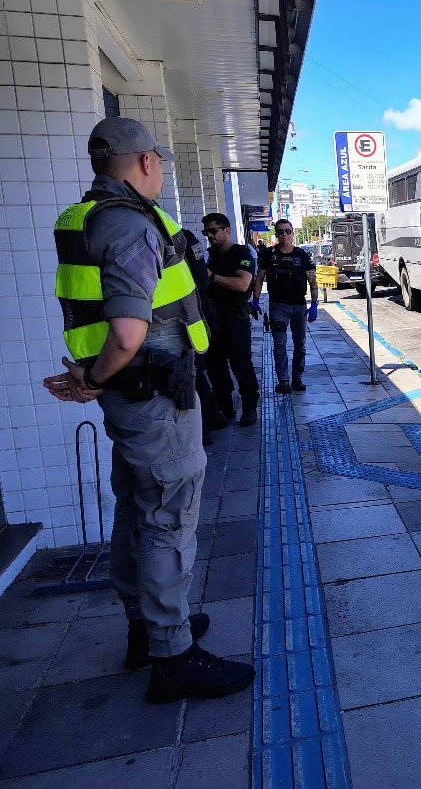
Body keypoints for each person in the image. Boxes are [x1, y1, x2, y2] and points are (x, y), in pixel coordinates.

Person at [43, 116, 254, 703]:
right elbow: (130, 333)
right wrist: (92, 376)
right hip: (154, 397)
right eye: (158, 160)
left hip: (130, 398)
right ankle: (173, 653)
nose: (161, 168)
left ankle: (147, 625)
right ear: (144, 163)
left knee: (136, 508)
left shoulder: (87, 220)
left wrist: (93, 378)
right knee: (166, 515)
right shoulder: (132, 226)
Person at [202, 213, 259, 427]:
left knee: (241, 365)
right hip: (212, 319)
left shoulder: (241, 253)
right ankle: (225, 410)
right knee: (216, 368)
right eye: (206, 232)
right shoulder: (209, 255)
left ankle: (249, 406)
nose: (210, 235)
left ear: (227, 230)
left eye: (213, 231)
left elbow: (242, 284)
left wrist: (212, 276)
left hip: (235, 318)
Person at [253, 219, 317, 394]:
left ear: (292, 233)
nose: (284, 235)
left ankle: (297, 379)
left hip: (299, 307)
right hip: (278, 306)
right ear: (276, 234)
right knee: (279, 344)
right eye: (280, 232)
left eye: (287, 231)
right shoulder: (269, 254)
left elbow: (312, 280)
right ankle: (284, 381)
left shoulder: (302, 255)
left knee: (300, 345)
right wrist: (256, 300)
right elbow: (259, 278)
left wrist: (314, 304)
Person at [180, 228, 228, 446]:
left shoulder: (181, 238)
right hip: (194, 316)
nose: (209, 235)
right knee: (198, 373)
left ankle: (205, 425)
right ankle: (214, 416)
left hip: (184, 320)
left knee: (193, 375)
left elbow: (201, 279)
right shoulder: (185, 236)